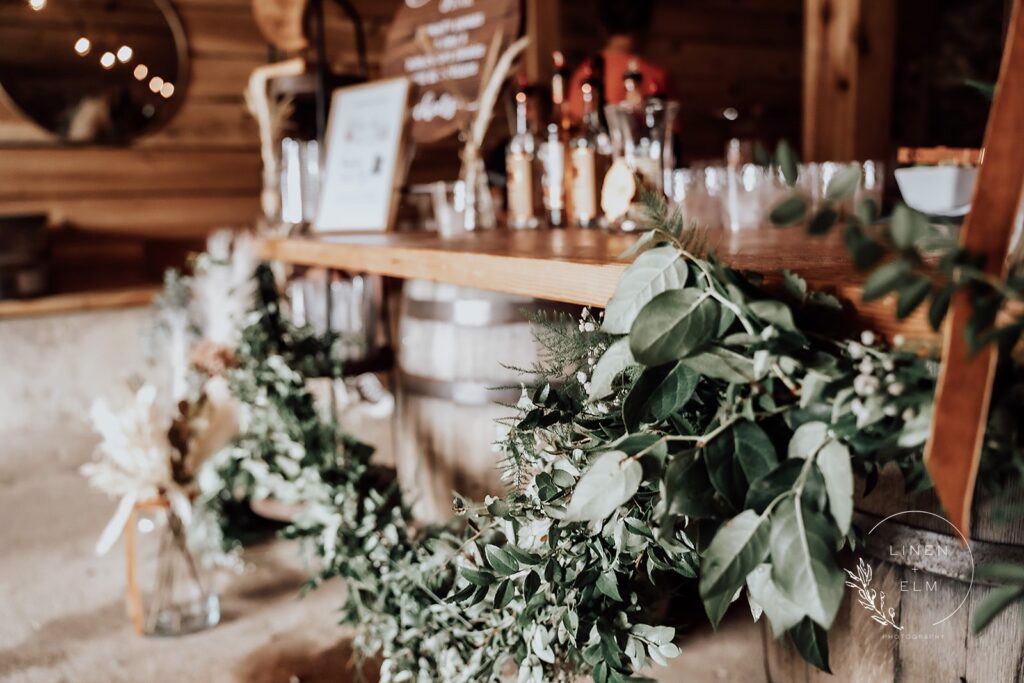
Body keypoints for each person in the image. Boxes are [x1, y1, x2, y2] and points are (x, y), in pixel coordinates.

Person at [566, 0, 670, 120]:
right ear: (649, 22)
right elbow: (670, 133)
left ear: (601, 25)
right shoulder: (658, 78)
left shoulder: (581, 77)